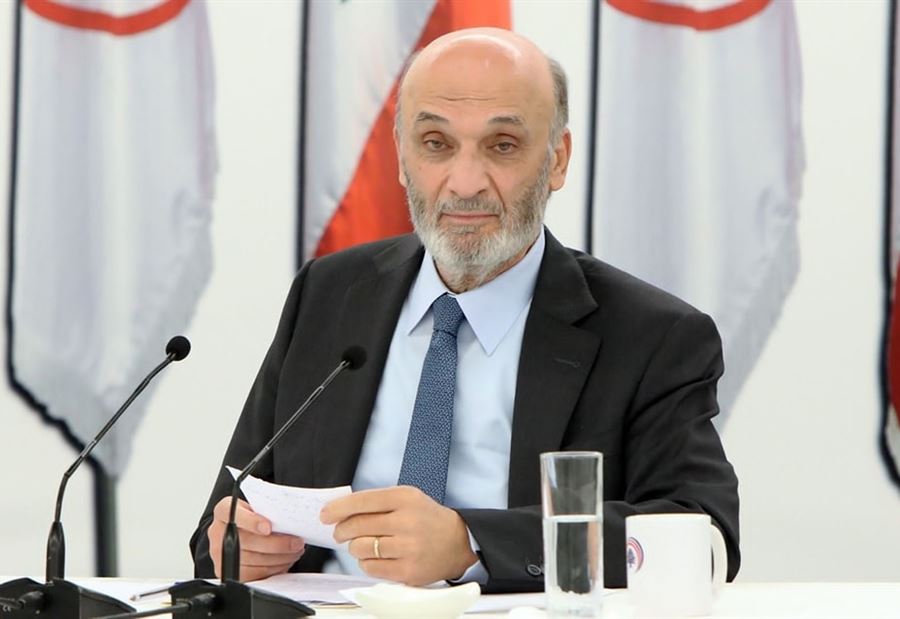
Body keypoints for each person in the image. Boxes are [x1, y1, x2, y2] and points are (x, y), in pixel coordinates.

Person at [190, 27, 739, 592]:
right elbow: (224, 523)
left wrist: (471, 543)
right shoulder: (329, 294)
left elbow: (703, 539)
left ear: (557, 160)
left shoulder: (651, 336)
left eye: (502, 145)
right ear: (402, 157)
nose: (466, 183)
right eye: (436, 143)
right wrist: (237, 547)